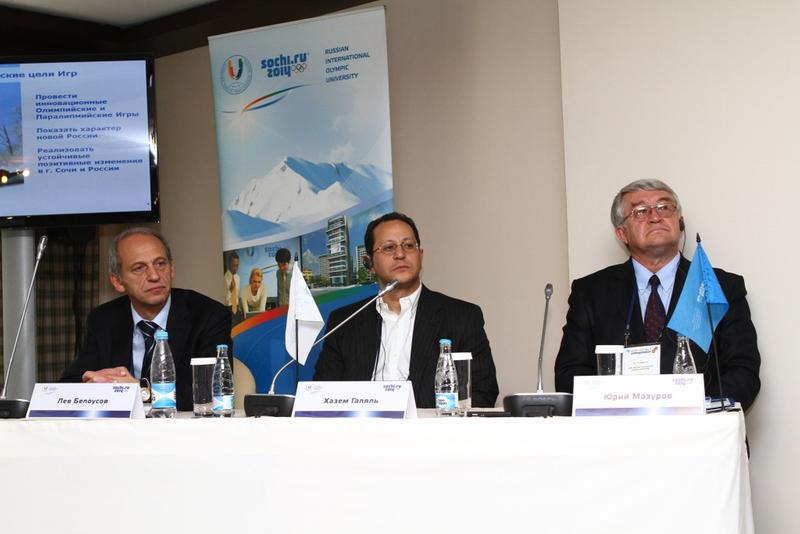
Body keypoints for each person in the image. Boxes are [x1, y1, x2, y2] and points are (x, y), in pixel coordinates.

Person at [554, 179, 761, 410]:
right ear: (622, 233)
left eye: (664, 207)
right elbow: (570, 375)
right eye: (641, 211)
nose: (655, 217)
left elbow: (743, 373)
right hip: (616, 428)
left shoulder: (719, 286)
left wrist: (686, 409)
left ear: (680, 222)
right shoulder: (591, 292)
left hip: (697, 427)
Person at [314, 212, 499, 408]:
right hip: (362, 425)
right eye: (389, 247)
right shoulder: (345, 321)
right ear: (370, 264)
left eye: (409, 245)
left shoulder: (462, 317)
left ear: (420, 255)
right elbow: (323, 396)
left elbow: (482, 393)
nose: (400, 254)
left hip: (432, 426)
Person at [61, 227, 231, 411]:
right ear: (117, 281)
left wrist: (139, 391)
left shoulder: (209, 315)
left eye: (160, 264)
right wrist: (97, 382)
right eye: (139, 268)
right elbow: (70, 384)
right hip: (122, 428)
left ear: (172, 269)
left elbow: (210, 393)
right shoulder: (104, 319)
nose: (154, 276)